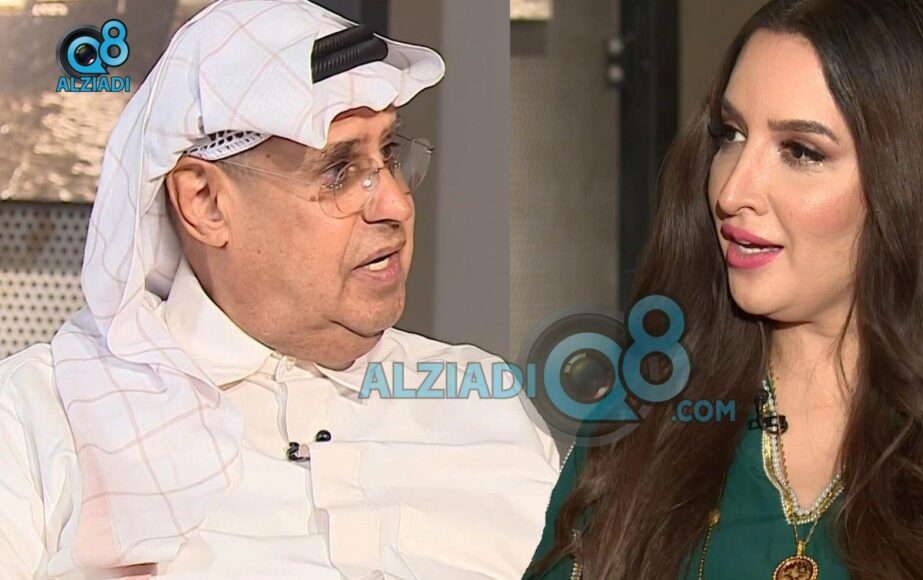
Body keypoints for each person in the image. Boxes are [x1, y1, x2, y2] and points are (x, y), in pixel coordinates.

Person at [524, 0, 923, 578]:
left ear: (910, 182)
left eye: (801, 151)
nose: (732, 190)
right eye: (730, 134)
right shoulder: (652, 394)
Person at [0, 1, 559, 578]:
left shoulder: (484, 401)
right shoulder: (37, 419)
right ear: (205, 203)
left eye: (389, 155)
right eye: (339, 172)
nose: (396, 204)